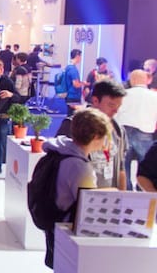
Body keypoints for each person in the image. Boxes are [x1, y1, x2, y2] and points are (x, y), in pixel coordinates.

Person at [40, 108, 111, 268]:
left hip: (53, 223)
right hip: (69, 231)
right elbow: (88, 206)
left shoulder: (59, 151)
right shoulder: (80, 167)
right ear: (95, 137)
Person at [55, 79, 128, 189]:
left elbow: (121, 168)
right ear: (95, 101)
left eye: (119, 106)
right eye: (111, 105)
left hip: (110, 195)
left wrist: (122, 195)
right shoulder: (74, 124)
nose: (115, 110)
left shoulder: (118, 131)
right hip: (80, 193)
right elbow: (59, 164)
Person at [116, 69, 157, 190]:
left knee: (124, 166)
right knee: (146, 168)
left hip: (124, 132)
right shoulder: (154, 96)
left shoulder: (123, 95)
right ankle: (143, 193)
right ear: (146, 80)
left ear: (132, 80)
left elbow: (116, 114)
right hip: (145, 133)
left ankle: (127, 193)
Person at [63, 49, 88, 116]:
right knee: (74, 116)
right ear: (77, 56)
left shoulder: (68, 68)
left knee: (71, 115)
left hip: (69, 95)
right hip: (73, 96)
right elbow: (76, 84)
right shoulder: (73, 69)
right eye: (80, 56)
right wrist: (84, 83)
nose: (81, 58)